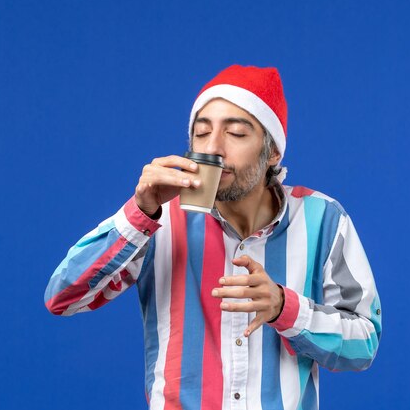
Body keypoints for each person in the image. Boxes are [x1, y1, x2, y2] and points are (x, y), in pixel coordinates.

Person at [44, 65, 382, 410]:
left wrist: (284, 307)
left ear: (273, 152)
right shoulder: (157, 220)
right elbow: (63, 299)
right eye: (201, 133)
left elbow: (364, 344)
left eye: (236, 133)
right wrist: (138, 213)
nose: (214, 148)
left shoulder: (322, 218)